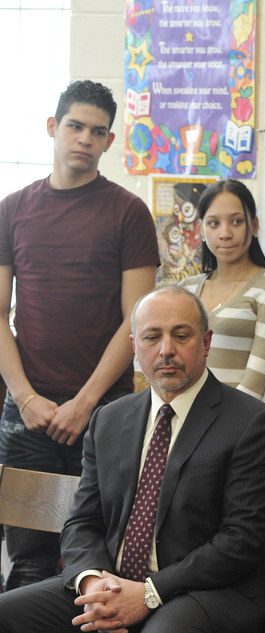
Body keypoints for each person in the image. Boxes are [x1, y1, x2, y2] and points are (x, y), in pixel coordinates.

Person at [0, 286, 265, 633]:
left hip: (205, 594)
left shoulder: (251, 422)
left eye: (181, 335)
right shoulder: (109, 419)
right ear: (135, 347)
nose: (166, 350)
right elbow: (83, 521)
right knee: (5, 620)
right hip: (114, 587)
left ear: (206, 342)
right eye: (152, 337)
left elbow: (243, 539)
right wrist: (92, 582)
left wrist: (150, 593)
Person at [0, 80, 158, 589]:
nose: (85, 139)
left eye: (98, 131)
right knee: (27, 563)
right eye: (75, 126)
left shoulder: (128, 212)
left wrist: (85, 403)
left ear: (109, 141)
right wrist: (25, 397)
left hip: (105, 412)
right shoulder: (13, 209)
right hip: (28, 413)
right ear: (53, 127)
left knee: (97, 565)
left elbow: (136, 321)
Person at [180, 180, 265, 400]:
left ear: (254, 225)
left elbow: (253, 387)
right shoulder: (186, 289)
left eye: (237, 221)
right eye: (213, 223)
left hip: (236, 417)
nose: (225, 233)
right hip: (180, 413)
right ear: (202, 230)